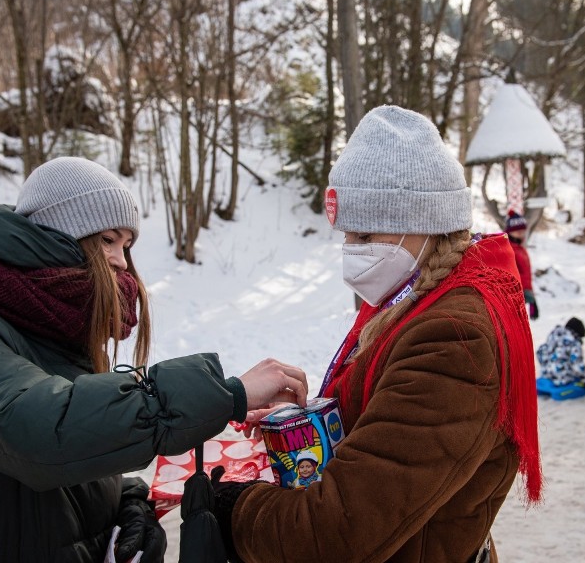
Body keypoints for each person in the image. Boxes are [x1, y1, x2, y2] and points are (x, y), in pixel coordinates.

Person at [0, 156, 308, 562]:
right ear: (57, 234)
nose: (122, 262)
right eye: (108, 240)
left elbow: (84, 438)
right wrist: (225, 394)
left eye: (126, 245)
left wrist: (127, 503)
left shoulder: (55, 326)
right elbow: (36, 429)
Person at [209, 105, 542, 563]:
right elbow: (387, 439)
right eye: (347, 237)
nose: (352, 253)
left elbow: (335, 534)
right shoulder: (413, 301)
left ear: (424, 225)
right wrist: (303, 426)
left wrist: (235, 508)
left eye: (365, 236)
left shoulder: (455, 339)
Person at [536, 317, 585, 387]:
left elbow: (540, 352)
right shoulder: (574, 343)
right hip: (562, 378)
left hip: (546, 374)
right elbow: (577, 364)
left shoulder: (553, 335)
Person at [505, 210, 538, 320]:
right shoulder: (507, 249)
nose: (520, 232)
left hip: (522, 297)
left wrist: (532, 297)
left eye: (522, 229)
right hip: (512, 298)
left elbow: (526, 275)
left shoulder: (521, 249)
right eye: (516, 230)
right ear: (510, 231)